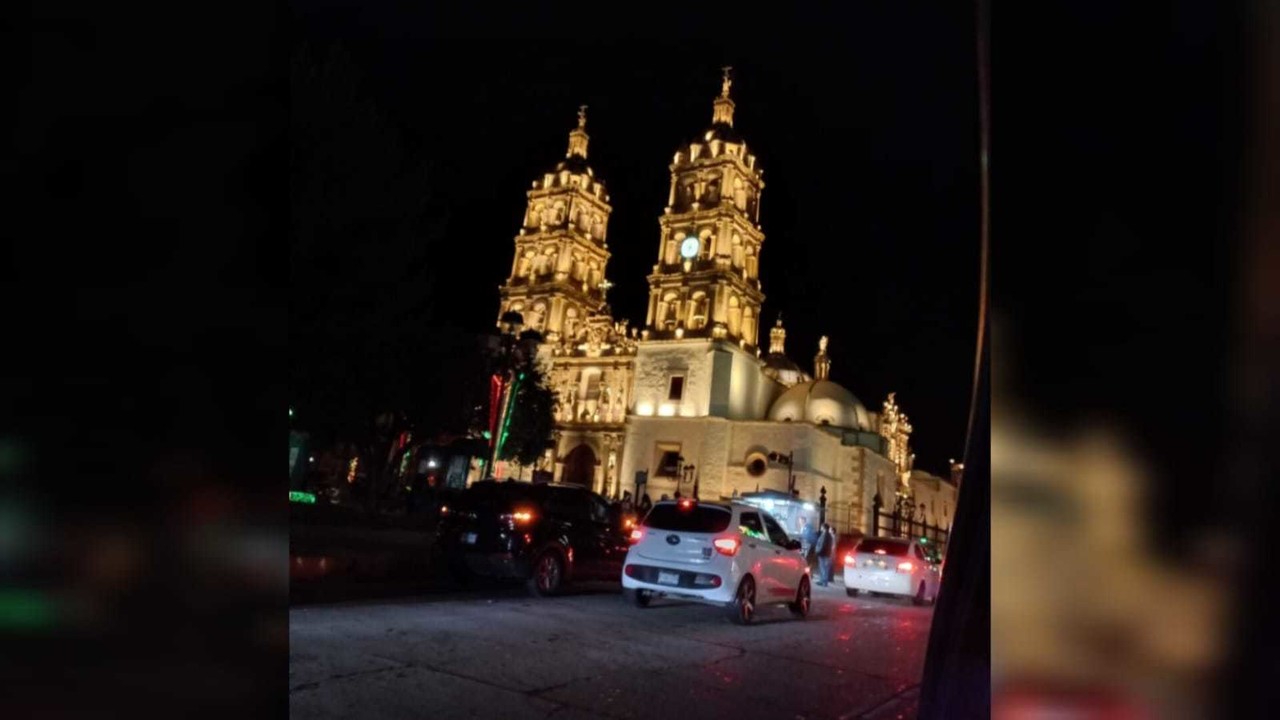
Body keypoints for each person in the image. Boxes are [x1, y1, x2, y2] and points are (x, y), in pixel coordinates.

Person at [815, 522, 834, 586]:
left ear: (824, 528)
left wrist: (819, 552)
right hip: (826, 554)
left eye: (821, 527)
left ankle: (824, 582)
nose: (820, 528)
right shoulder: (828, 535)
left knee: (823, 568)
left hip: (823, 554)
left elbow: (823, 545)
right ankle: (822, 581)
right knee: (824, 568)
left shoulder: (825, 535)